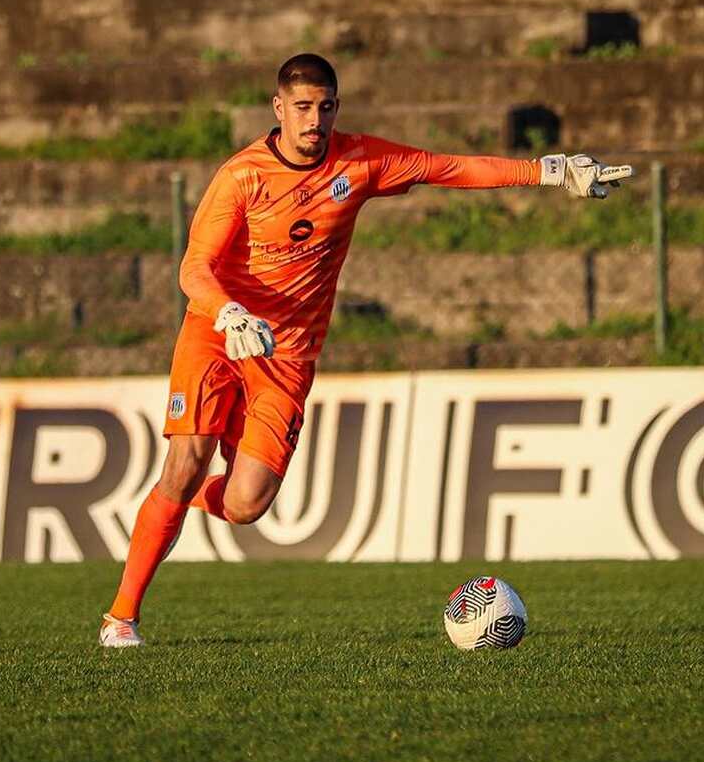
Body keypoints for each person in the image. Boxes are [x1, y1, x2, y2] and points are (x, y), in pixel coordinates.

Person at [99, 53, 632, 647]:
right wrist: (230, 312)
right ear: (279, 109)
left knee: (247, 503)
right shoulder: (241, 176)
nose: (314, 120)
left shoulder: (359, 159)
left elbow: (447, 167)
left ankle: (176, 494)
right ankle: (122, 619)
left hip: (289, 354)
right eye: (302, 107)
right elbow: (194, 267)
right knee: (187, 457)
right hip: (218, 332)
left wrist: (551, 171)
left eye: (325, 107)